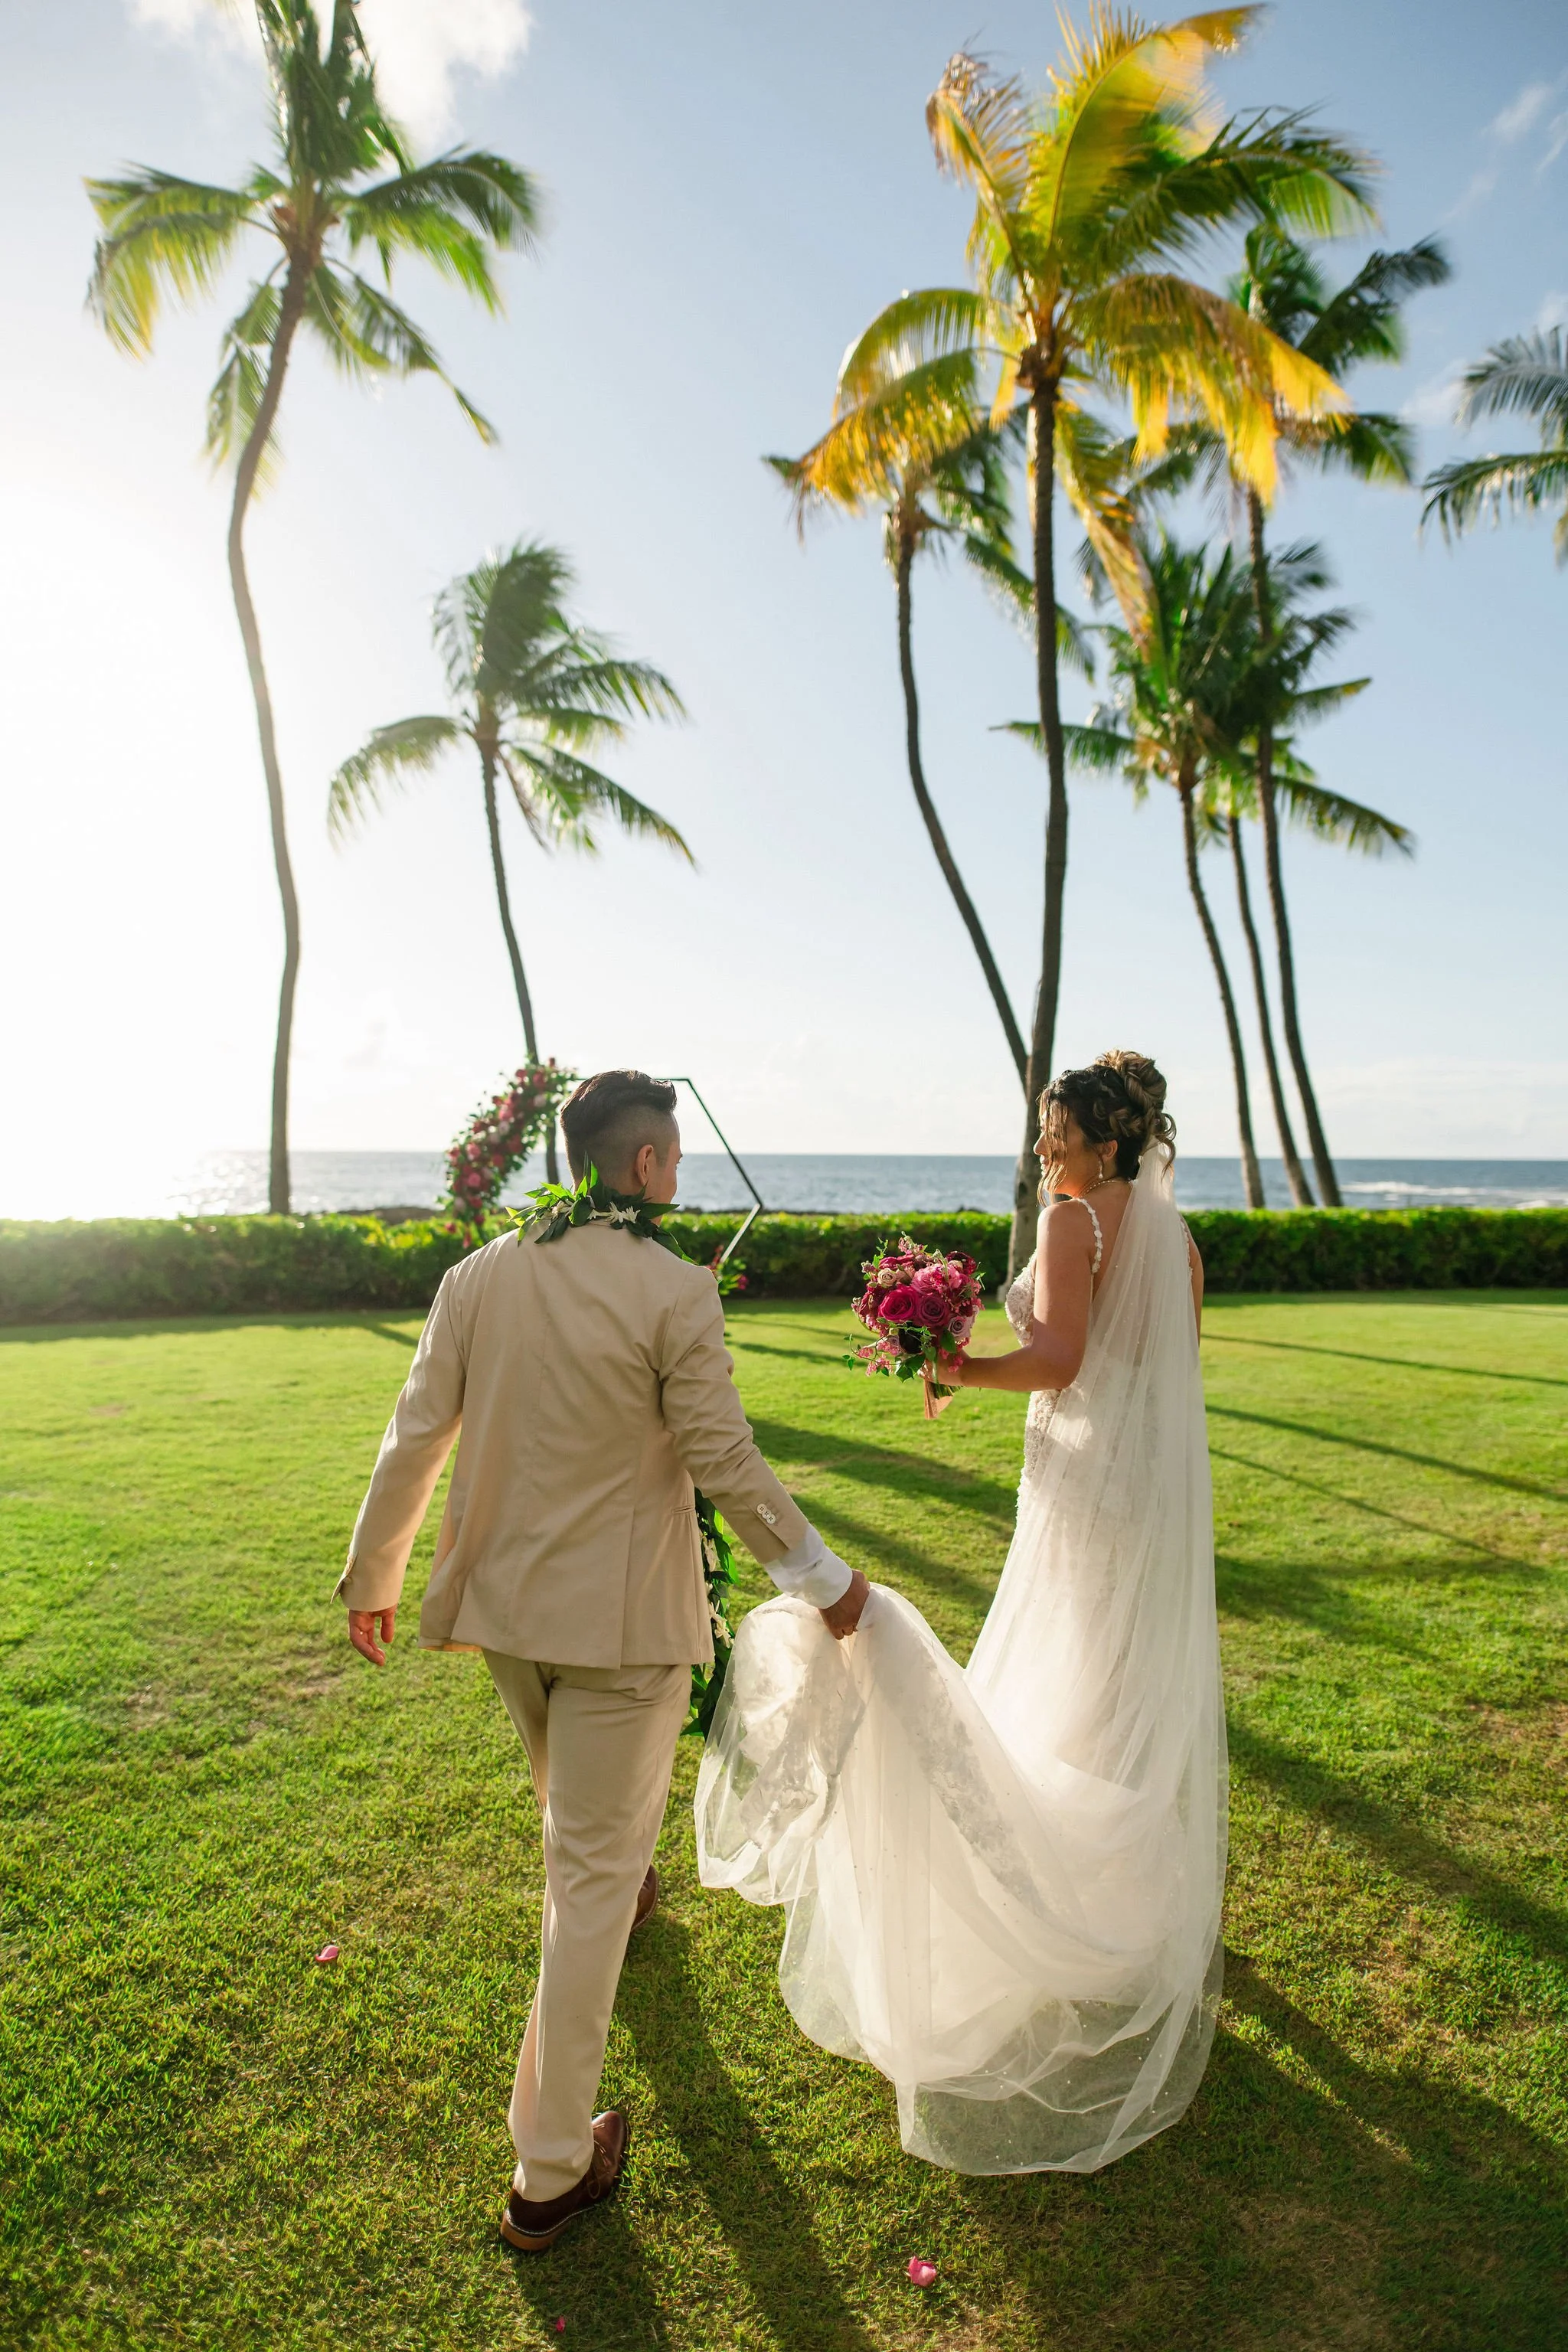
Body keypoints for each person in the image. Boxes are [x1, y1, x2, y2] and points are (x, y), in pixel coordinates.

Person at [337, 1070, 868, 2250]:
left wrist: (376, 1576)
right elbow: (722, 1456)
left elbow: (418, 1423)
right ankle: (549, 2169)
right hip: (623, 1633)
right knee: (581, 1893)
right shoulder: (677, 1287)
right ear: (642, 1167)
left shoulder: (481, 1273)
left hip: (511, 1622)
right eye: (673, 1164)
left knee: (583, 1845)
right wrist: (826, 1580)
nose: (678, 1180)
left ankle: (623, 1883)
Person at [696, 1050, 1223, 2176]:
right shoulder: (1176, 1238)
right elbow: (1162, 1367)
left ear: (1109, 1142)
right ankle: (1134, 1868)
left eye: (1060, 1132)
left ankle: (1076, 1884)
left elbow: (1063, 1361)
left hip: (1084, 1481)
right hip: (1143, 1485)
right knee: (1115, 1671)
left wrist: (955, 1364)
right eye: (1045, 1131)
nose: (1047, 1148)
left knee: (1075, 1656)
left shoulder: (1078, 1226)